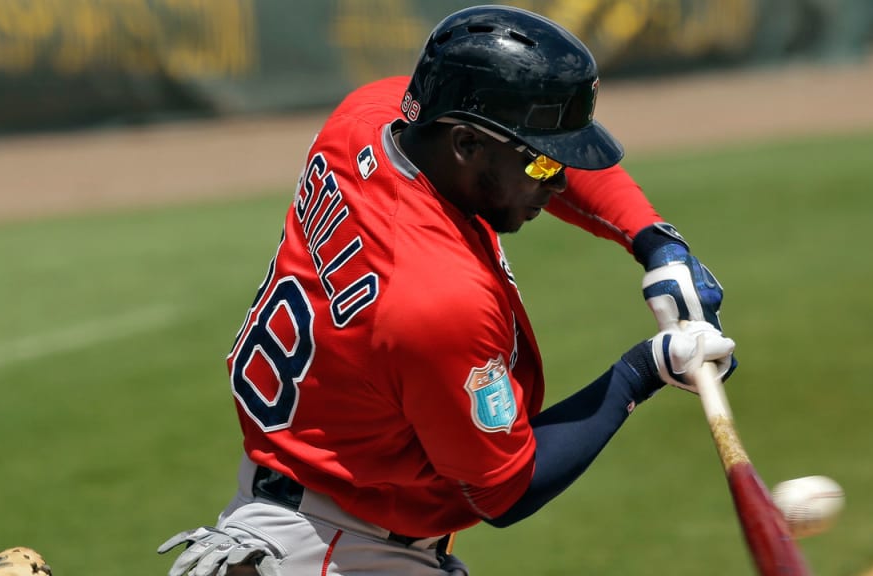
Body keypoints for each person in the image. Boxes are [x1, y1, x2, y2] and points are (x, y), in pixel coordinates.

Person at [158, 5, 737, 576]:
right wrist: (642, 371)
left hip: (300, 508)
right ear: (464, 145)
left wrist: (656, 243)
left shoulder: (369, 118)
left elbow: (537, 144)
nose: (559, 181)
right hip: (341, 552)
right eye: (541, 166)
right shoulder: (436, 298)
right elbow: (505, 491)